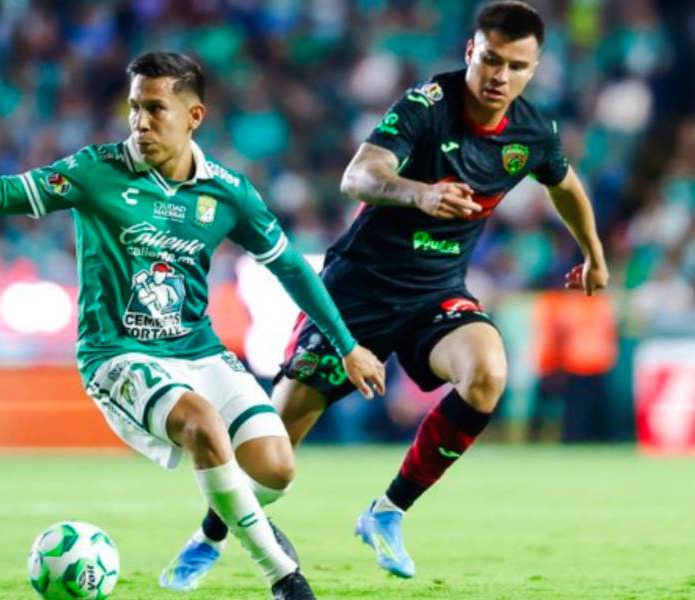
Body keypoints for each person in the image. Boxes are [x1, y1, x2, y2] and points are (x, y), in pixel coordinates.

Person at [0, 51, 384, 600]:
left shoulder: (227, 191)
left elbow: (291, 267)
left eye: (155, 108)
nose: (140, 122)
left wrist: (346, 345)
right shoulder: (96, 170)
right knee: (202, 424)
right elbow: (0, 194)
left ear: (193, 116)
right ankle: (284, 576)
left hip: (198, 350)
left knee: (276, 468)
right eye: (134, 108)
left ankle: (215, 531)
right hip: (118, 354)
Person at [166, 0, 609, 583]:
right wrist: (419, 194)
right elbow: (358, 177)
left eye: (518, 67)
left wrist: (594, 255)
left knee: (487, 374)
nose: (501, 77)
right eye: (493, 60)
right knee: (273, 456)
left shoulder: (531, 130)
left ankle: (387, 511)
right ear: (471, 51)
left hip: (435, 294)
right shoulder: (428, 106)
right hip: (358, 291)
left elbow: (565, 184)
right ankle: (210, 536)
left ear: (534, 67)